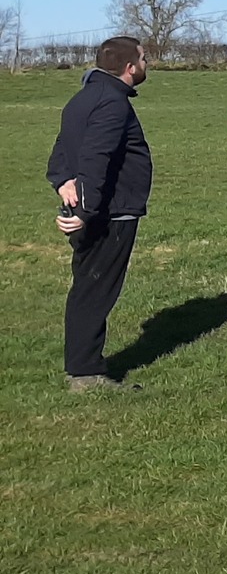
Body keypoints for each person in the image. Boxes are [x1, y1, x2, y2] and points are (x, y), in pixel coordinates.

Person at [45, 36, 152, 393]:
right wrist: (86, 211)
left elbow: (61, 149)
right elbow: (96, 157)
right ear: (129, 67)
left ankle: (83, 367)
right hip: (110, 213)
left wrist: (62, 181)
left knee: (88, 287)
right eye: (144, 59)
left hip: (95, 208)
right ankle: (85, 373)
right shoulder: (112, 103)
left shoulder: (84, 98)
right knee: (95, 290)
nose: (146, 64)